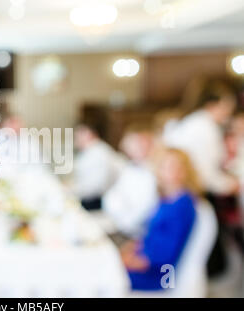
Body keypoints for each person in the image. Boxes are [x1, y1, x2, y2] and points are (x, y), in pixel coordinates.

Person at [163, 79, 239, 277]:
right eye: (227, 106)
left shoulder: (191, 122)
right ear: (214, 104)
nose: (228, 112)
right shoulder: (204, 126)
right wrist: (230, 185)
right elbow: (206, 172)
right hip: (196, 191)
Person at [121, 148, 199, 291]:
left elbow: (162, 256)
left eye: (175, 167)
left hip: (157, 276)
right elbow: (151, 235)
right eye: (165, 166)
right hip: (145, 264)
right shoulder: (167, 199)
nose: (169, 171)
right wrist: (128, 251)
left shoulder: (182, 206)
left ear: (185, 171)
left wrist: (126, 262)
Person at [102, 123, 159, 237]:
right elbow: (112, 196)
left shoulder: (155, 172)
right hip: (119, 223)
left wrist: (123, 224)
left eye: (139, 143)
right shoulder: (130, 168)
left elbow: (146, 208)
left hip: (137, 232)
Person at [72, 122, 125, 211]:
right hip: (94, 196)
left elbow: (96, 188)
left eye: (80, 134)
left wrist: (73, 191)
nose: (76, 139)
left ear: (91, 134)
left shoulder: (99, 153)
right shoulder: (90, 150)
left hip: (99, 200)